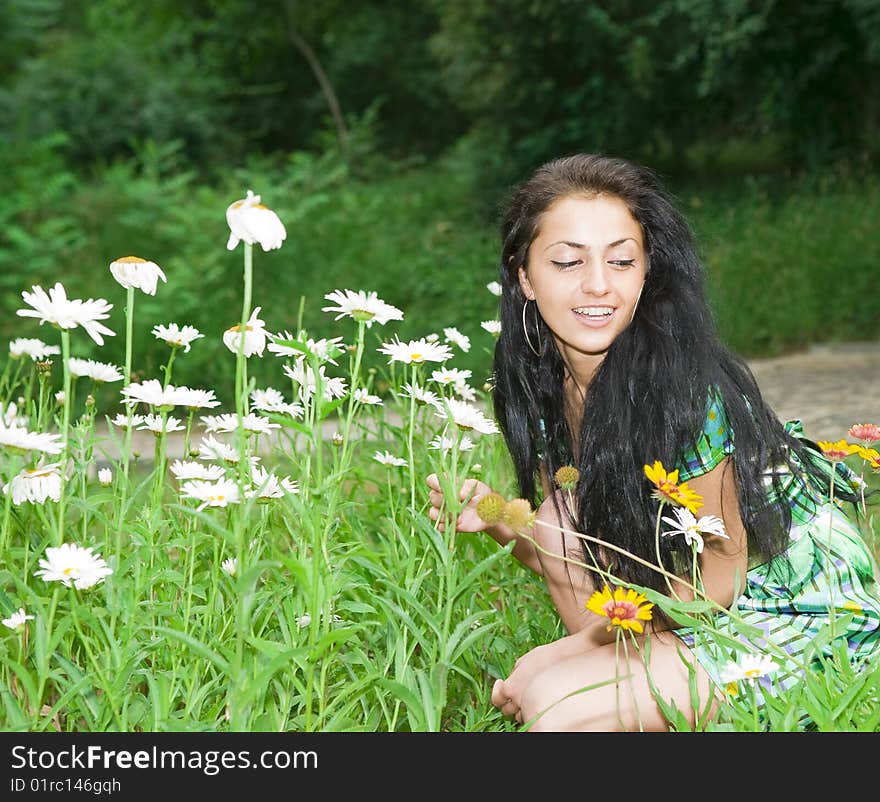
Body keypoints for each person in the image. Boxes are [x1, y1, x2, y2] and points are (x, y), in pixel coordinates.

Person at [425, 153, 880, 731]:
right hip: (684, 617)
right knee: (559, 515)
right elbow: (567, 547)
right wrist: (496, 521)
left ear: (647, 273)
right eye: (567, 262)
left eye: (621, 261)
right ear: (523, 276)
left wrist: (564, 653)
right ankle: (610, 686)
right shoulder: (543, 387)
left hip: (797, 621)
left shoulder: (687, 394)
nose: (598, 285)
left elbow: (718, 579)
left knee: (554, 703)